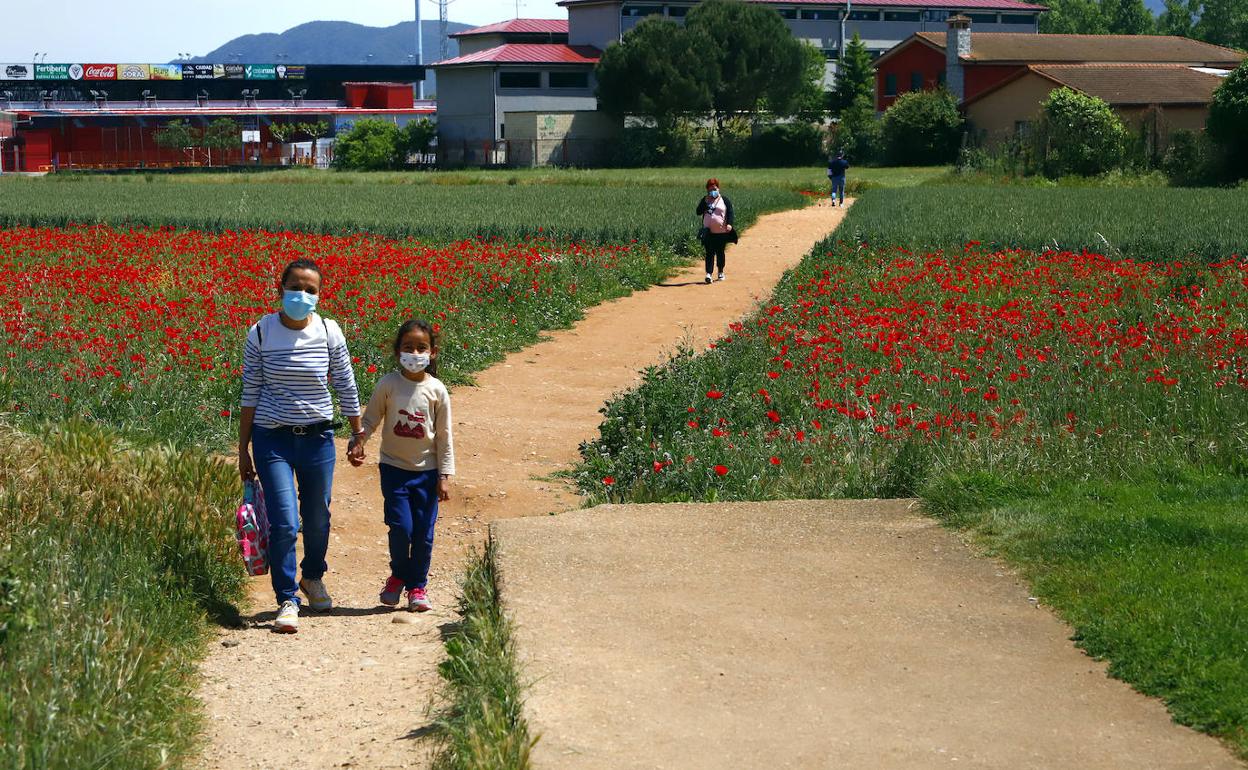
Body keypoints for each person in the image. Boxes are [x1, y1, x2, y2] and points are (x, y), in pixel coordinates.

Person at [239, 258, 362, 634]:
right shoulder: (261, 332)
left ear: (319, 295)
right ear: (280, 289)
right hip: (272, 439)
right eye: (295, 287)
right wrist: (243, 448)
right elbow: (250, 391)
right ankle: (287, 598)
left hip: (318, 438)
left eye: (311, 290)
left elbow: (345, 382)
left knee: (318, 517)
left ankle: (313, 576)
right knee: (285, 522)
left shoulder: (328, 331)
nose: (302, 295)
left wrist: (357, 433)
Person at [348, 318, 455, 613]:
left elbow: (444, 436)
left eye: (422, 348)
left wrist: (444, 475)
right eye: (408, 347)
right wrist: (358, 442)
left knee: (423, 534)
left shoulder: (437, 390)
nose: (415, 353)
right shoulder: (388, 384)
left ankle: (417, 587)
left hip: (427, 473)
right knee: (400, 528)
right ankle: (397, 576)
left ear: (432, 352)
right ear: (398, 352)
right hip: (394, 470)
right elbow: (370, 419)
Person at [696, 178, 737, 284]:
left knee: (720, 252)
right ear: (707, 190)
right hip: (708, 232)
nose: (713, 191)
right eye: (710, 190)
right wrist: (705, 202)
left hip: (721, 232)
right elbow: (698, 212)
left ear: (718, 188)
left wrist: (729, 224)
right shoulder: (705, 200)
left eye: (714, 189)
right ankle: (708, 274)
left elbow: (730, 212)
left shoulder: (724, 200)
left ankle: (720, 272)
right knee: (709, 253)